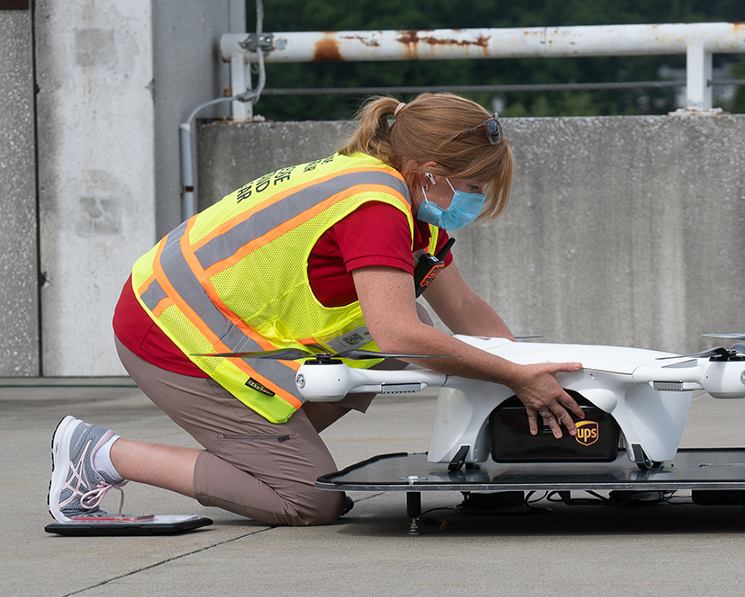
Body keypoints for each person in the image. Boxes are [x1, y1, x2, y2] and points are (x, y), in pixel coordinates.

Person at [48, 93, 586, 526]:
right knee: (310, 499)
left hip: (224, 325)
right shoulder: (375, 207)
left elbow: (463, 307)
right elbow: (398, 333)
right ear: (430, 170)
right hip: (171, 333)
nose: (475, 199)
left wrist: (525, 374)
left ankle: (268, 446)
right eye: (472, 187)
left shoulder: (408, 202)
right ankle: (100, 453)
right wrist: (511, 375)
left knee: (403, 350)